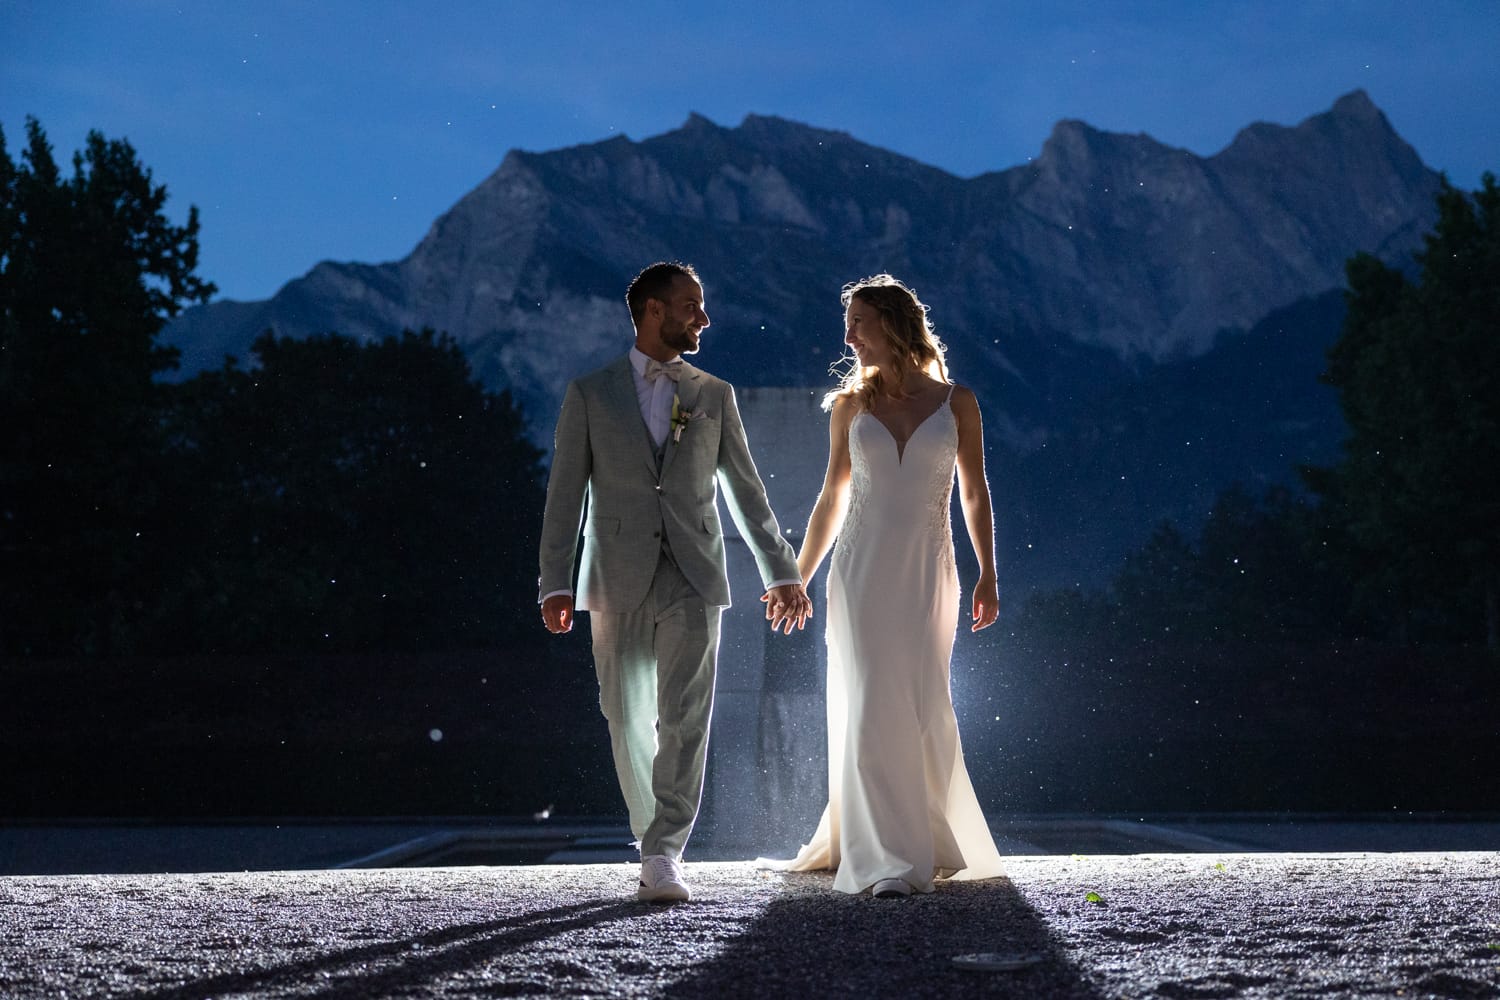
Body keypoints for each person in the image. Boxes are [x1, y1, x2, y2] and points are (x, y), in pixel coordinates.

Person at [538, 261, 813, 904]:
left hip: (694, 574)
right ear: (653, 311)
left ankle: (663, 851)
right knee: (626, 715)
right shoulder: (589, 394)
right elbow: (563, 495)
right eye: (692, 305)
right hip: (613, 576)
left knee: (686, 716)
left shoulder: (714, 395)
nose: (704, 318)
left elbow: (747, 493)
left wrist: (782, 571)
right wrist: (555, 581)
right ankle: (648, 838)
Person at [761, 274, 1005, 897]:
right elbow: (830, 500)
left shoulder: (959, 403)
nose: (849, 337)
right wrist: (796, 576)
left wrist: (989, 574)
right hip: (861, 570)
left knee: (922, 700)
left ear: (892, 324)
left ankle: (925, 838)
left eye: (859, 323)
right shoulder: (850, 406)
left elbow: (975, 494)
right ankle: (887, 858)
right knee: (870, 700)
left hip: (930, 570)